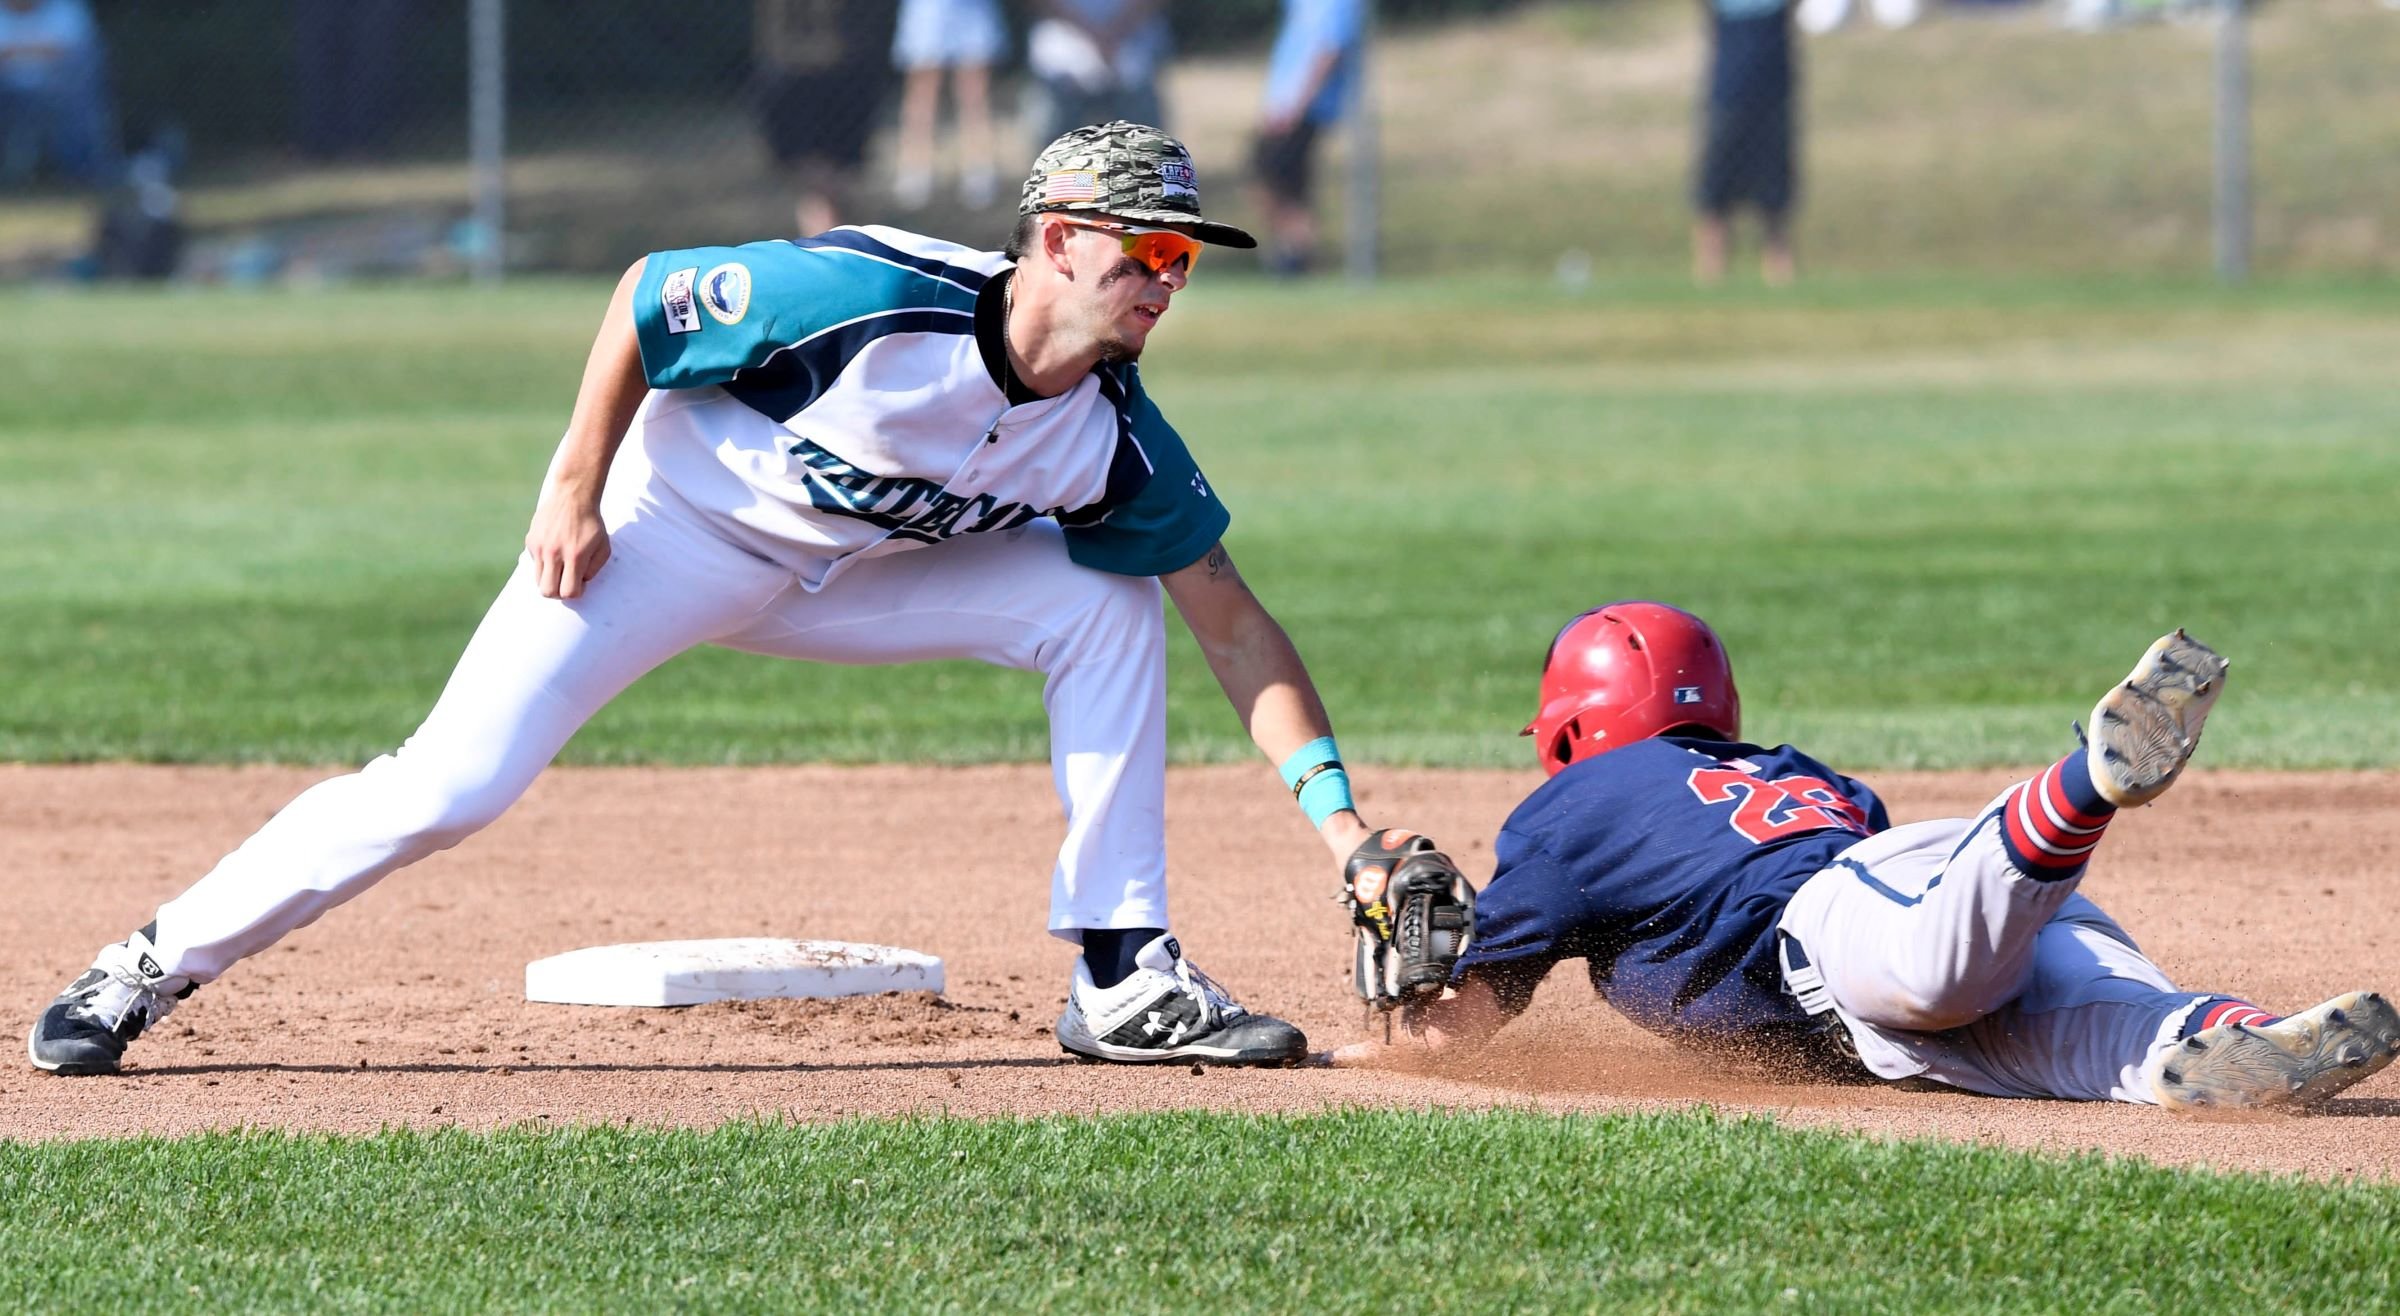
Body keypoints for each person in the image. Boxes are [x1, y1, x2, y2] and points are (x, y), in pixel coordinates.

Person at [29, 121, 1441, 1077]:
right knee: (447, 786)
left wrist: (1349, 837)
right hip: (667, 532)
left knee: (1109, 606)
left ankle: (1124, 976)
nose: (1167, 282)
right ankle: (145, 966)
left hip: (845, 580)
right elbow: (649, 297)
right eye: (1153, 251)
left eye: (1184, 260)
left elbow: (1234, 623)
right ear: (1062, 239)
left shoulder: (1111, 435)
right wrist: (572, 481)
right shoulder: (868, 298)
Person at [1334, 602, 2400, 1111]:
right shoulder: (1801, 769)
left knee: (1937, 967)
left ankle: (2088, 779)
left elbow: (1461, 1022)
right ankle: (2246, 1042)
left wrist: (1377, 1017)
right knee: (2102, 1050)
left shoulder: (1571, 804)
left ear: (1569, 728)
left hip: (1855, 915)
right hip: (1906, 961)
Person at [753, 0, 895, 235]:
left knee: (836, 178)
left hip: (843, 68)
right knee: (816, 179)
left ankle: (836, 245)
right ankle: (832, 246)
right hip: (796, 71)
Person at [1251, 0, 1364, 279]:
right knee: (1273, 176)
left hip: (1305, 108)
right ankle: (1289, 252)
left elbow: (1329, 49)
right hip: (1284, 106)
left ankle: (1296, 256)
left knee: (1285, 181)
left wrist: (1297, 104)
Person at [1693, 0, 1799, 287]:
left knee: (1774, 189)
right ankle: (1711, 268)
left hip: (1774, 91)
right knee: (1716, 186)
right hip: (1728, 91)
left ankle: (1778, 265)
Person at [891, 0, 1006, 210]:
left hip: (974, 10)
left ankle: (979, 171)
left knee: (975, 93)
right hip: (928, 8)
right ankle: (915, 171)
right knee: (922, 93)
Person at [0, 0, 115, 187]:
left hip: (61, 93)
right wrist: (41, 50)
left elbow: (77, 55)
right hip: (5, 93)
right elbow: (54, 50)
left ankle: (83, 174)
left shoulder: (65, 9)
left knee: (77, 99)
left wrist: (14, 52)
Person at [1027, 0, 1171, 148]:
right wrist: (1094, 34)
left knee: (1143, 145)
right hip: (1062, 53)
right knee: (1055, 145)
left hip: (1133, 50)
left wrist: (1115, 31)